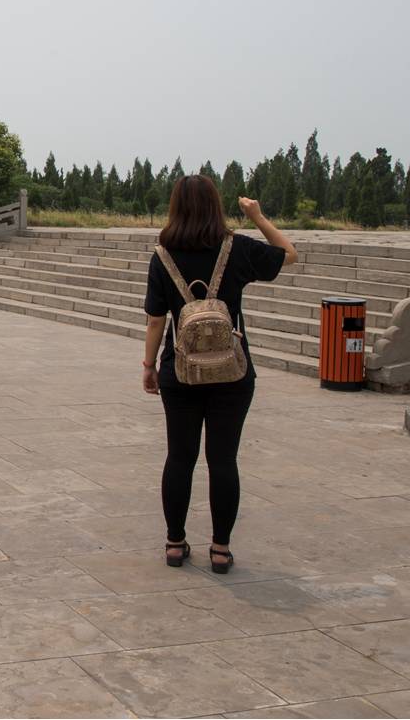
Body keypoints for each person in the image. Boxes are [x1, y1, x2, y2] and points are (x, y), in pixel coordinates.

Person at [142, 179, 297, 575]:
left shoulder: (163, 255)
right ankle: (221, 549)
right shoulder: (237, 247)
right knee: (223, 460)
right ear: (215, 206)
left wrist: (148, 366)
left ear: (175, 207)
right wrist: (257, 216)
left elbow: (156, 320)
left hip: (180, 372)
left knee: (180, 458)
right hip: (232, 373)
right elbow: (289, 254)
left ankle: (175, 543)